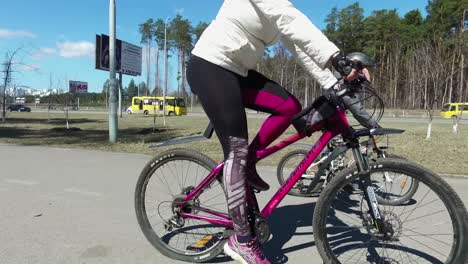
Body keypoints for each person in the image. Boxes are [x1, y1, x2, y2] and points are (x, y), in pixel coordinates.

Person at [187, 1, 366, 263]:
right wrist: (337, 57)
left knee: (288, 106)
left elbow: (298, 45)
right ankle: (242, 241)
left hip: (237, 71)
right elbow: (289, 18)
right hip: (210, 66)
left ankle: (247, 163)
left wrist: (336, 82)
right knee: (235, 152)